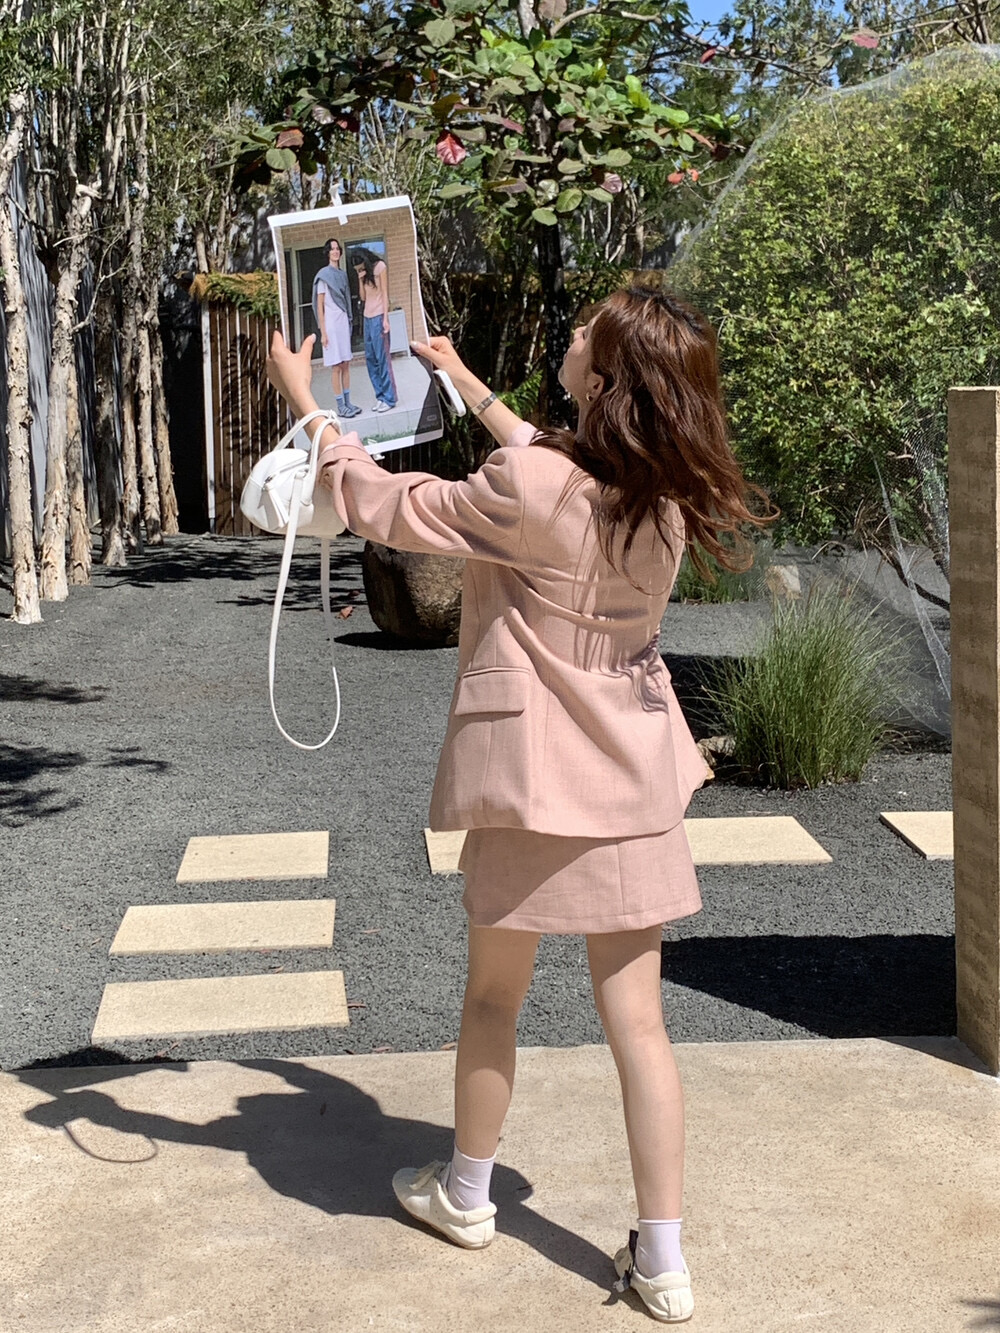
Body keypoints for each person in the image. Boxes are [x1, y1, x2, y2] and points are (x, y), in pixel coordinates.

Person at [265, 285, 779, 1324]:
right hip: (633, 781)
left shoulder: (533, 484)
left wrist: (310, 407)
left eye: (587, 331)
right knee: (641, 1025)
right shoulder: (661, 496)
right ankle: (665, 1260)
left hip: (536, 785)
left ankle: (466, 1192)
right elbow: (552, 470)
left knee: (494, 999)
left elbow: (387, 505)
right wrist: (461, 378)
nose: (573, 335)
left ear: (606, 377)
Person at [312, 239, 361, 418]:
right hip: (331, 325)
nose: (335, 251)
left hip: (343, 323)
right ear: (328, 252)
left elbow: (346, 299)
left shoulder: (342, 275)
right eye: (332, 249)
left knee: (346, 363)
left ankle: (348, 403)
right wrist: (323, 332)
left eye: (337, 249)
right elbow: (320, 306)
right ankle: (340, 407)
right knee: (336, 366)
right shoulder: (323, 276)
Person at [350, 246, 397, 413]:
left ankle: (390, 398)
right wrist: (360, 278)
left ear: (365, 261)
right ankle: (380, 397)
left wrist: (385, 318)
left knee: (382, 358)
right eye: (357, 269)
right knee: (370, 359)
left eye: (360, 267)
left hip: (378, 317)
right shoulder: (363, 274)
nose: (359, 270)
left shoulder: (380, 267)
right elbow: (363, 297)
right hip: (367, 318)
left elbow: (384, 294)